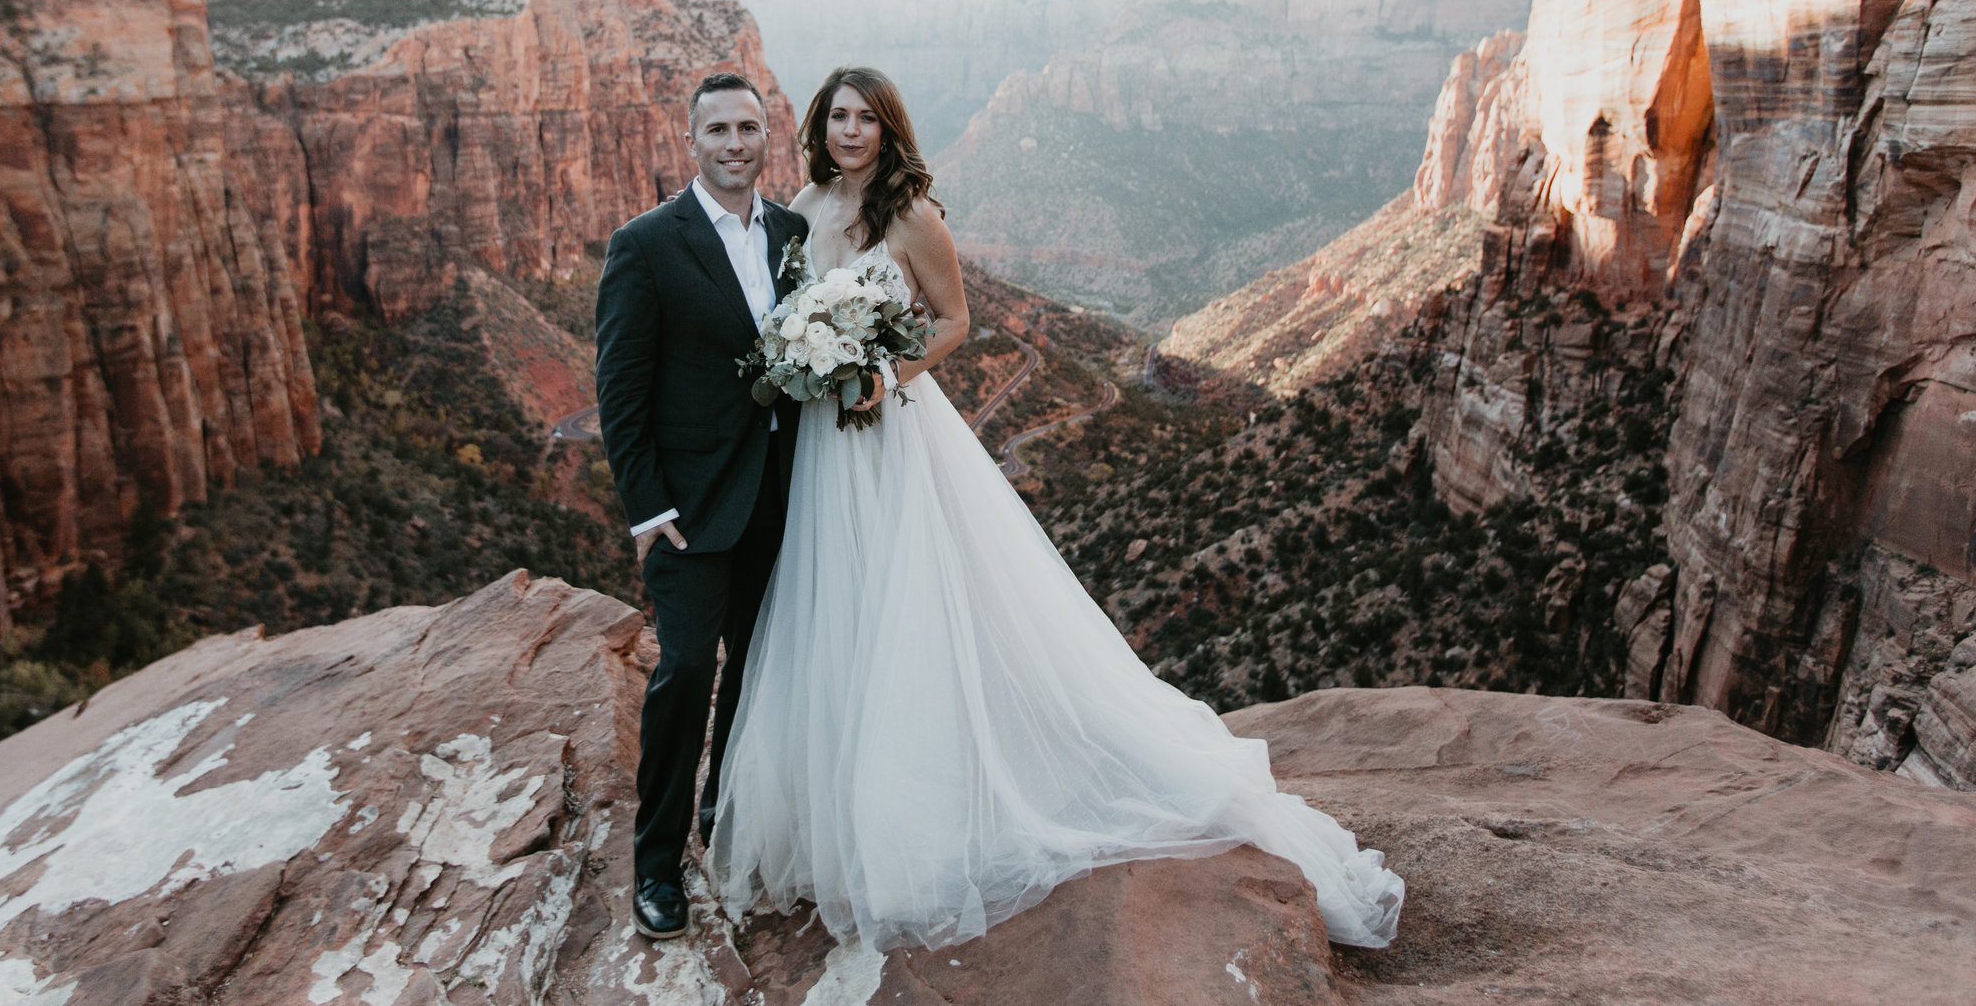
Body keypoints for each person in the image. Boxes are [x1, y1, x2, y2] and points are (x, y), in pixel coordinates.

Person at [704, 66, 1404, 953]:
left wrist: (886, 373)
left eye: (865, 117)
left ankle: (926, 807)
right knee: (832, 613)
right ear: (818, 124)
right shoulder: (801, 205)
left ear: (888, 128)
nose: (850, 130)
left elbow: (954, 318)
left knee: (904, 611)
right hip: (817, 442)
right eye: (837, 115)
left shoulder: (913, 215)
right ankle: (833, 816)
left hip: (888, 434)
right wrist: (804, 360)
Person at [593, 72, 810, 941]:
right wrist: (647, 510)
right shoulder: (645, 244)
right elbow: (620, 389)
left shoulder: (791, 232)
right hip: (690, 512)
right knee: (684, 673)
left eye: (748, 128)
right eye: (717, 128)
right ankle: (655, 864)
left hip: (780, 502)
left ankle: (724, 812)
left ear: (768, 138)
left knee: (756, 671)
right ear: (692, 140)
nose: (733, 142)